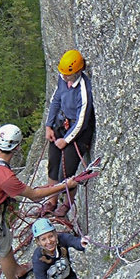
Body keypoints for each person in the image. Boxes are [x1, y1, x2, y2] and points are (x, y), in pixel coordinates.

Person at [0, 124, 78, 279]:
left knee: (6, 243)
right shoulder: (5, 176)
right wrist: (64, 185)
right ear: (17, 147)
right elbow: (35, 195)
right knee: (2, 251)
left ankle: (17, 269)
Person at [44, 49, 96, 217]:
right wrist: (49, 125)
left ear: (77, 72)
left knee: (66, 172)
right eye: (63, 74)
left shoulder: (83, 90)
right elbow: (56, 100)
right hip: (62, 124)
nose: (64, 77)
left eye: (68, 75)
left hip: (77, 133)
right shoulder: (62, 78)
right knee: (53, 163)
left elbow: (82, 120)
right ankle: (51, 201)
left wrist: (66, 140)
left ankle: (67, 203)